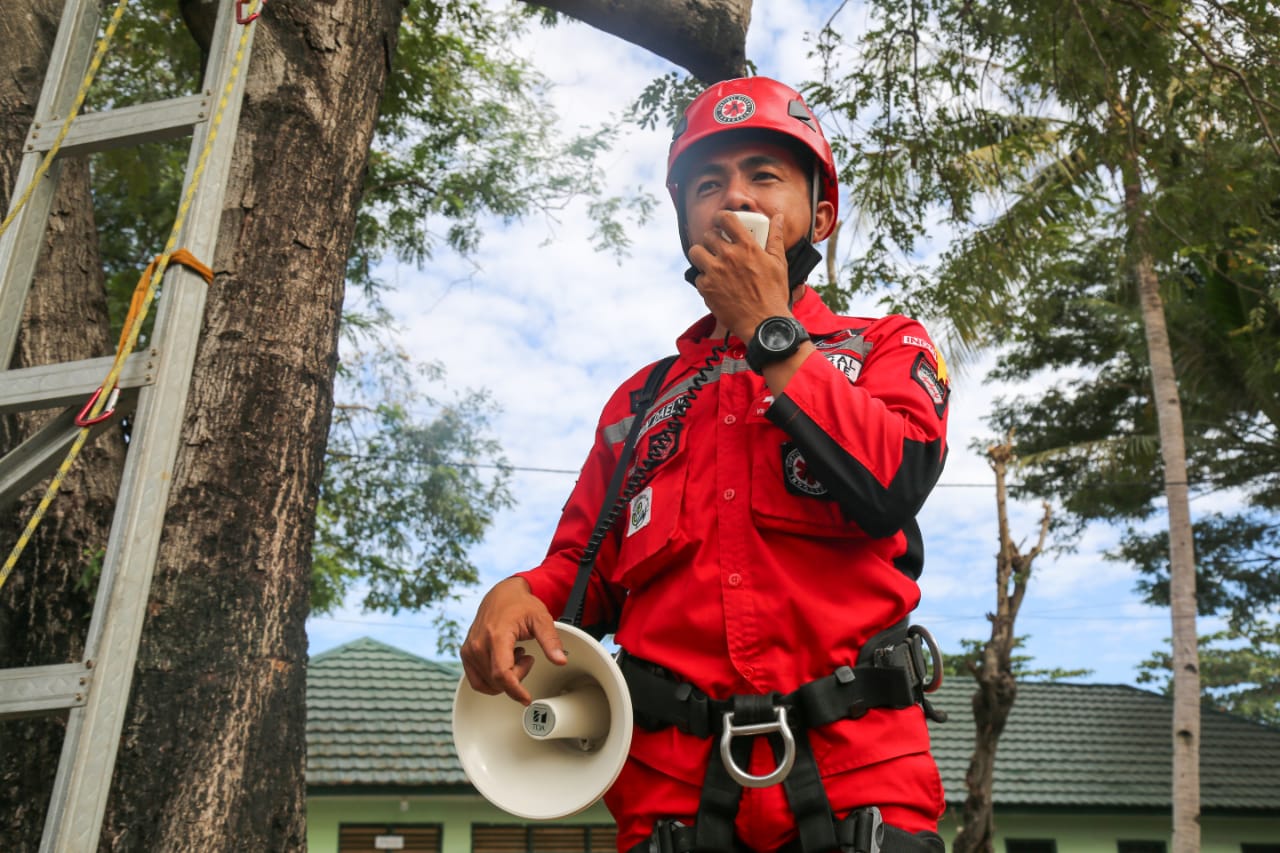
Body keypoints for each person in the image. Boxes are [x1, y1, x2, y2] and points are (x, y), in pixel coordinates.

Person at [461, 76, 951, 853]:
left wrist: (771, 329)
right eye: (707, 185)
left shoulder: (885, 347)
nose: (733, 200)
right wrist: (516, 593)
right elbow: (579, 579)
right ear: (683, 218)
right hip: (670, 801)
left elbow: (893, 483)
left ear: (820, 212)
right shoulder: (642, 399)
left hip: (864, 782)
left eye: (763, 175)